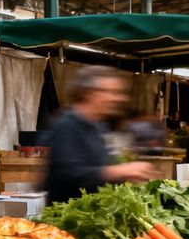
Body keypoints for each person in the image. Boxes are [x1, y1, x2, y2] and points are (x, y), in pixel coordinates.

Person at [44, 66, 156, 203]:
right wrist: (121, 170)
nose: (118, 98)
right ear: (89, 93)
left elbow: (99, 167)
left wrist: (125, 175)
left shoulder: (98, 126)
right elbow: (67, 174)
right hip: (65, 217)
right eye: (111, 92)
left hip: (92, 212)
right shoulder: (67, 125)